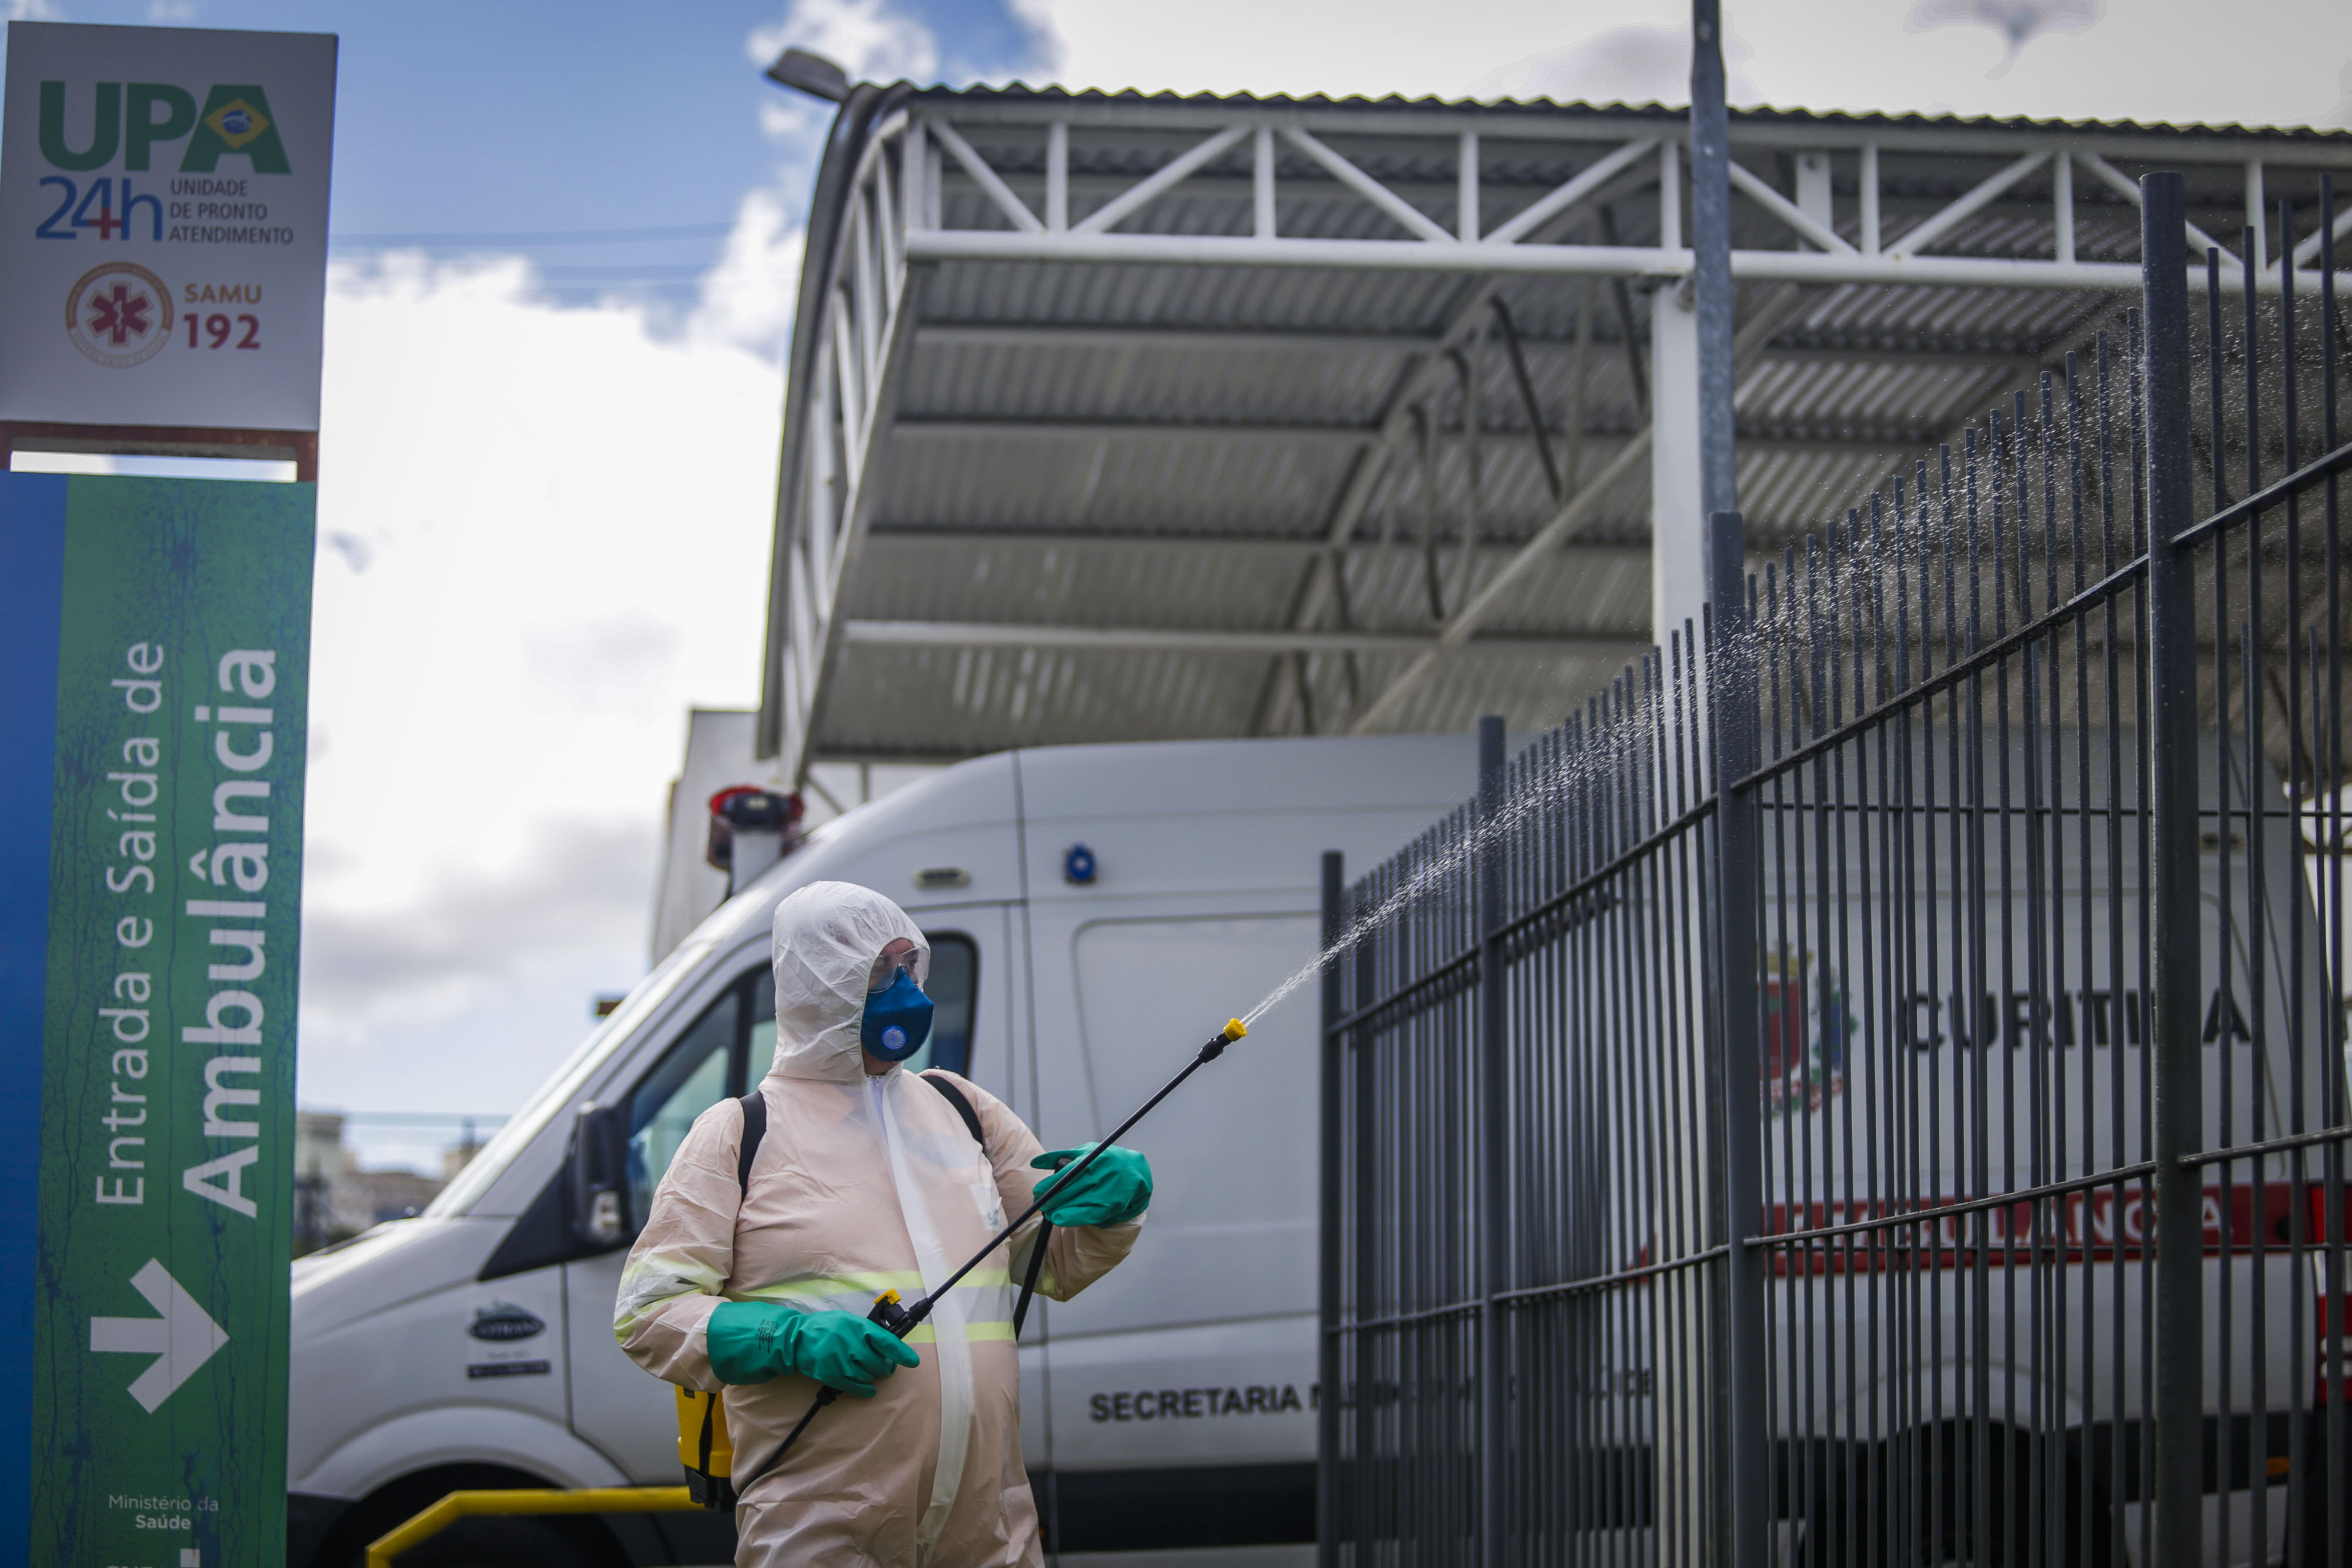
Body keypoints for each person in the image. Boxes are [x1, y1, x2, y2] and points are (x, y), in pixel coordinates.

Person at [614, 881, 1154, 1567]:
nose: (906, 992)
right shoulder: (740, 1131)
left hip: (986, 1515)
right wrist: (789, 1339)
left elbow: (1053, 1262)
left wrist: (1116, 1208)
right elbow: (648, 1313)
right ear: (817, 985)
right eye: (876, 972)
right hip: (821, 1519)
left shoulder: (961, 1108)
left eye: (909, 967)